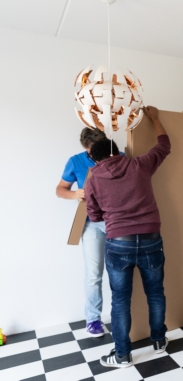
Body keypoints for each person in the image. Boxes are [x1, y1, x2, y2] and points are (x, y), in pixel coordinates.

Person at [85, 106, 171, 368]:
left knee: (121, 300)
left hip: (118, 243)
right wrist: (155, 118)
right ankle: (159, 341)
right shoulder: (139, 164)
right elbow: (164, 146)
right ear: (116, 151)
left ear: (95, 159)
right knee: (155, 292)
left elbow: (94, 215)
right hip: (151, 238)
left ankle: (122, 355)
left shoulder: (93, 179)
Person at [56, 127, 108, 337]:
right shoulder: (75, 161)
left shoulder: (119, 155)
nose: (96, 154)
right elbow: (60, 189)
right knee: (94, 274)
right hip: (91, 224)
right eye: (92, 150)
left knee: (122, 271)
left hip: (118, 221)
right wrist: (75, 194)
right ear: (85, 147)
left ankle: (124, 315)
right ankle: (93, 320)